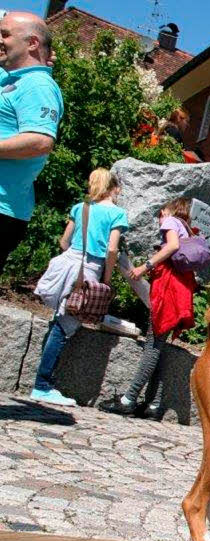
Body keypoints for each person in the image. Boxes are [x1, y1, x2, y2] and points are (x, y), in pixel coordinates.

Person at [30, 169, 127, 405]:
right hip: (90, 269)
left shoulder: (80, 207)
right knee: (65, 327)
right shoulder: (117, 214)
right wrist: (107, 279)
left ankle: (44, 383)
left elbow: (64, 241)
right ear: (114, 189)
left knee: (59, 320)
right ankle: (42, 385)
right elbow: (112, 249)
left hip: (67, 263)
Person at [100, 198, 197, 418]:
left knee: (152, 346)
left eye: (159, 214)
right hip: (179, 291)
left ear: (166, 210)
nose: (159, 220)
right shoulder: (187, 228)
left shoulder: (170, 221)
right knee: (158, 348)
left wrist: (145, 266)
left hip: (168, 292)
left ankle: (129, 399)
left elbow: (172, 246)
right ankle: (153, 404)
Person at [0, 11, 63, 272]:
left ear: (32, 43)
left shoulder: (38, 85)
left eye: (5, 34)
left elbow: (40, 141)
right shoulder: (11, 79)